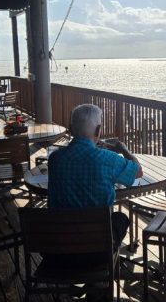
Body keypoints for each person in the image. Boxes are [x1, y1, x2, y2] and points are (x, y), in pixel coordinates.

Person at [48, 104, 143, 248]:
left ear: (71, 129)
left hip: (60, 246)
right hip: (97, 248)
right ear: (98, 130)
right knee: (120, 218)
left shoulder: (55, 159)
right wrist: (124, 149)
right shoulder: (107, 159)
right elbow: (138, 171)